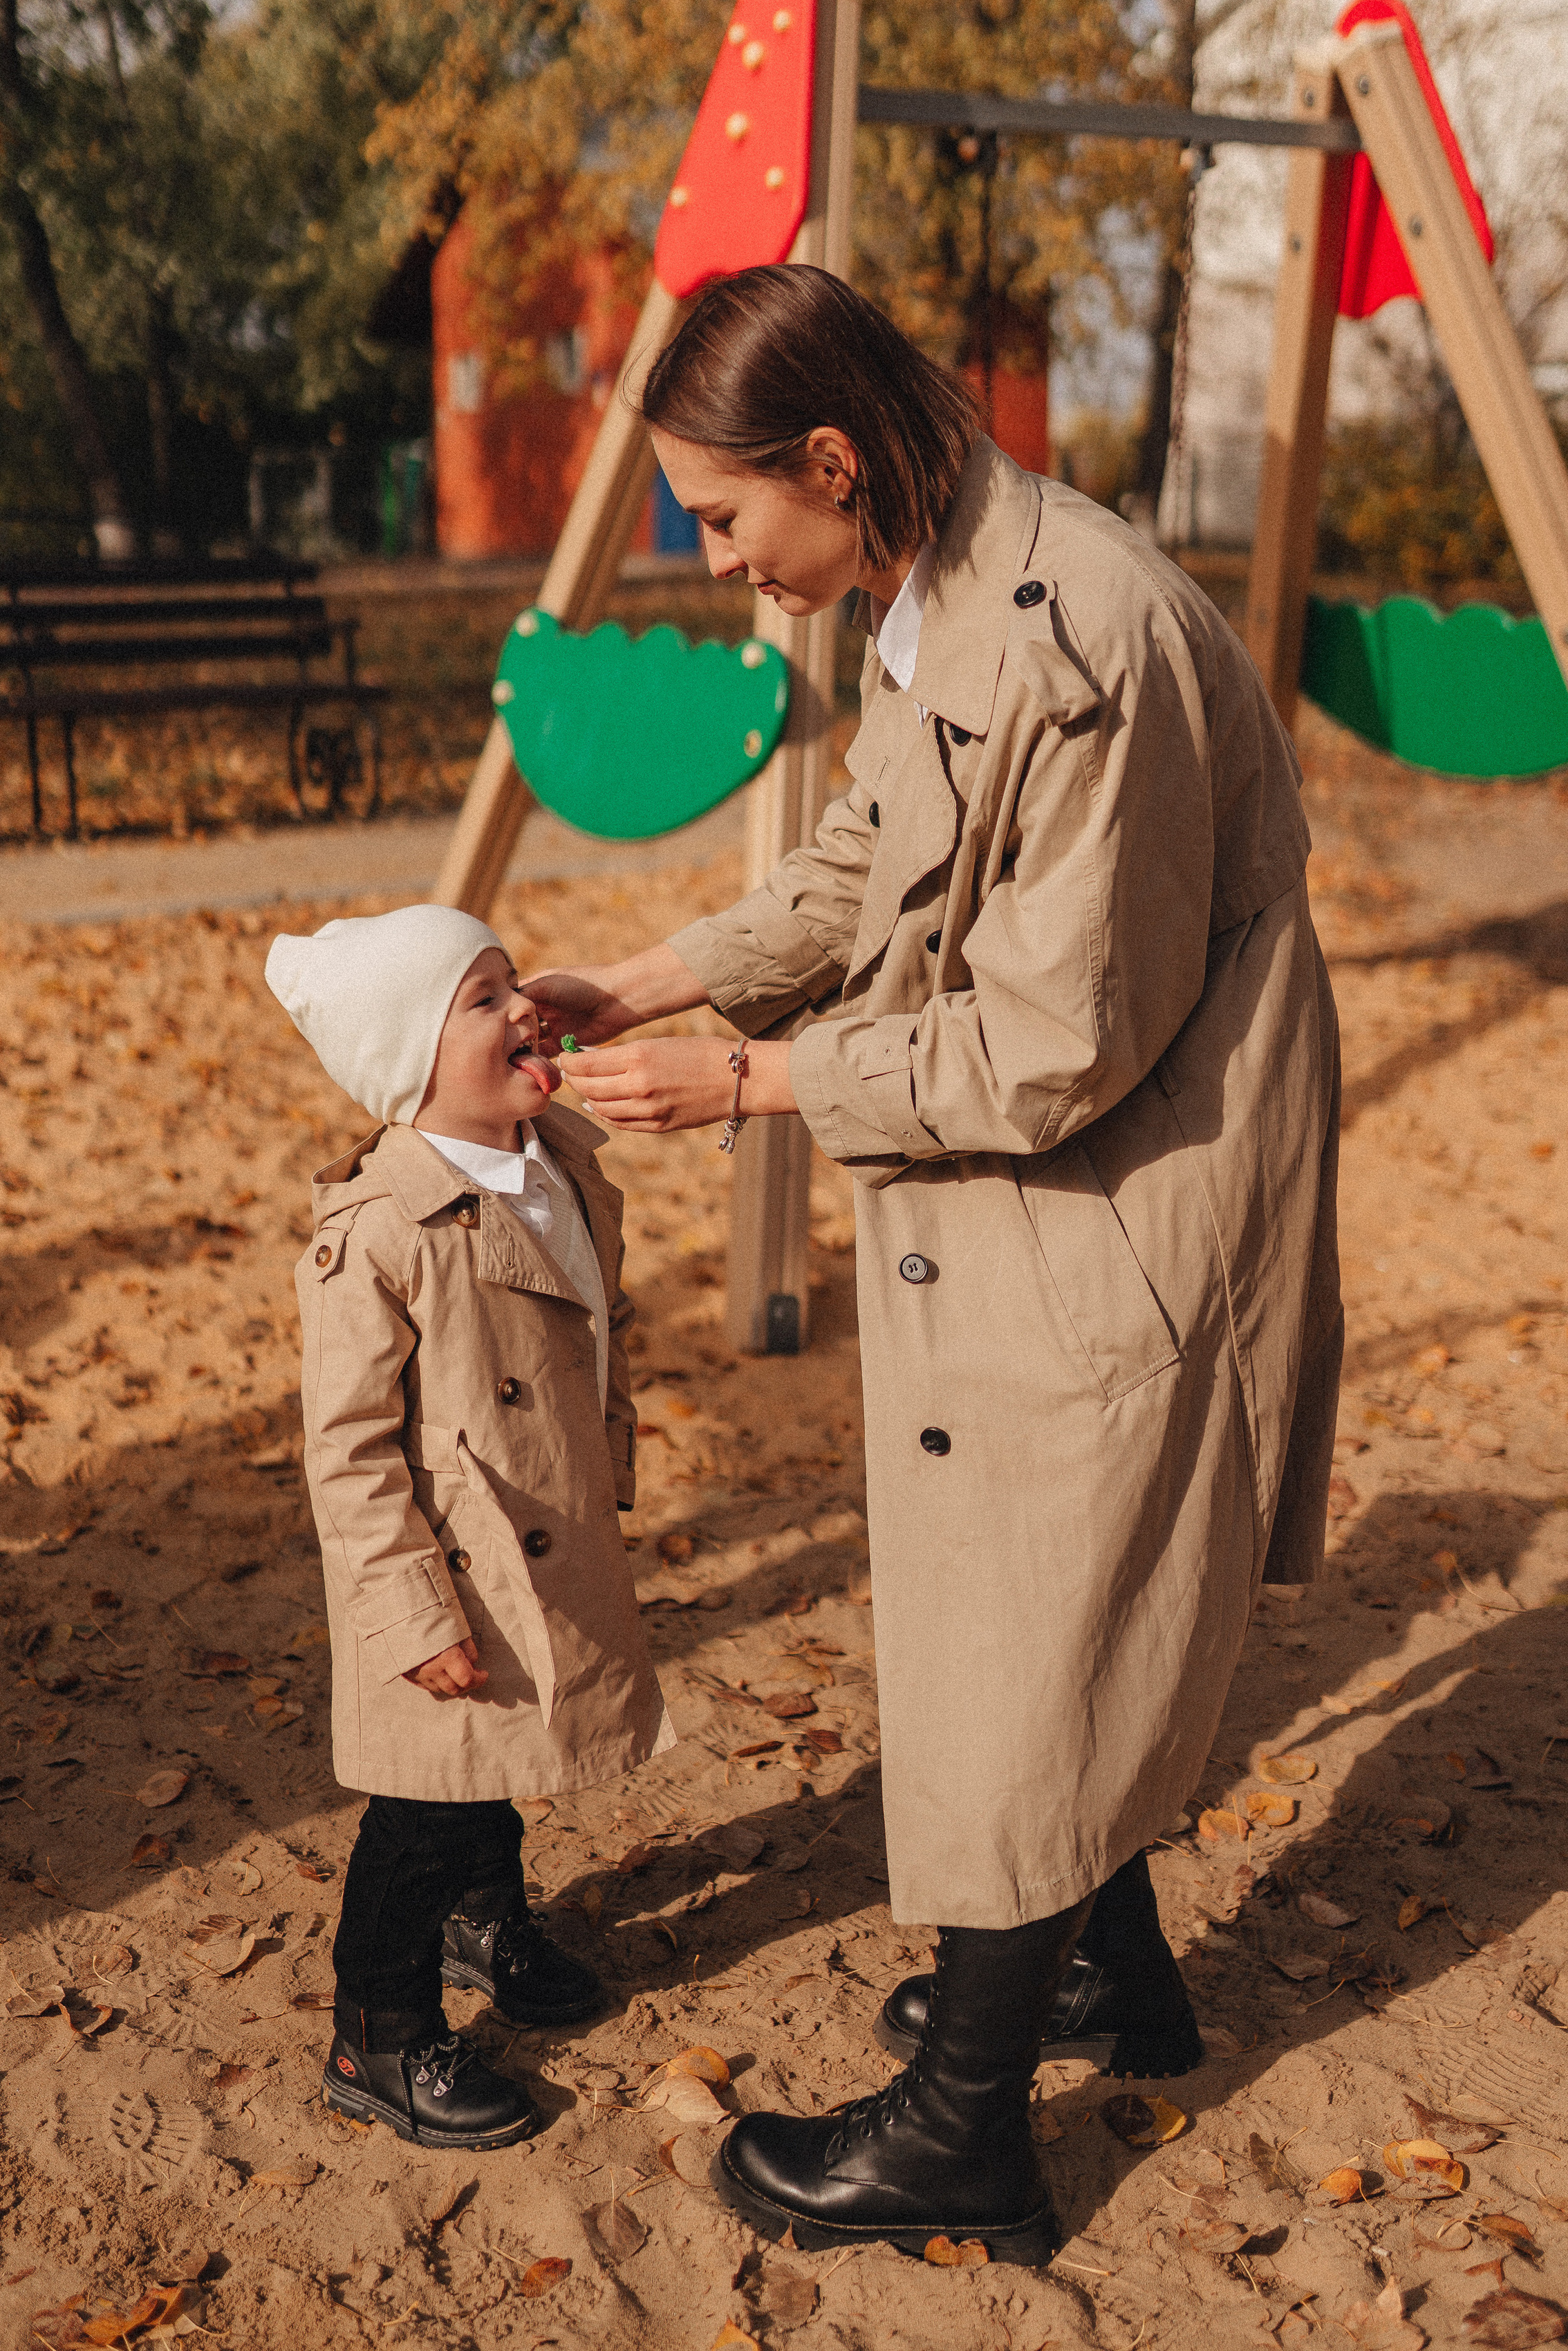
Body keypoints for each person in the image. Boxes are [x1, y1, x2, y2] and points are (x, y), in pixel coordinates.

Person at [529, 264, 1342, 2264]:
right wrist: (632, 974)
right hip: (1045, 1164)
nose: (725, 569)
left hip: (1133, 1179)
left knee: (1048, 1599)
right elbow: (854, 873)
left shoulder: (1088, 639)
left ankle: (969, 2127)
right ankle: (1112, 1980)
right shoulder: (932, 594)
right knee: (1047, 1601)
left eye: (725, 522)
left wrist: (744, 1084)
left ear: (831, 459)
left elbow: (1059, 1042)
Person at [265, 904, 671, 2150]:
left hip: (538, 1516)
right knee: (427, 1795)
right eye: (484, 998)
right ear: (411, 1061)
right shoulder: (381, 1228)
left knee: (501, 1749)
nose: (524, 1010)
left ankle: (484, 1916)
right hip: (447, 1552)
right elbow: (347, 1450)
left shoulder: (561, 1162)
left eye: (513, 983)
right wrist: (408, 1610)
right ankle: (376, 2031)